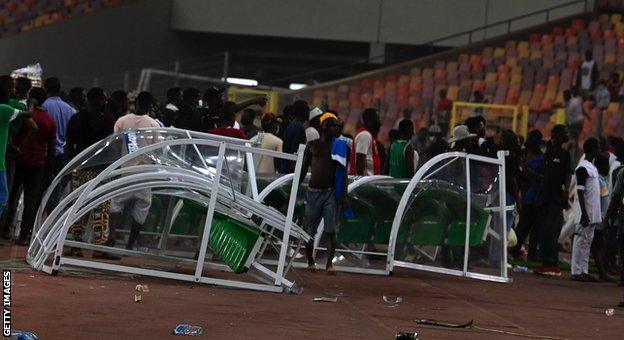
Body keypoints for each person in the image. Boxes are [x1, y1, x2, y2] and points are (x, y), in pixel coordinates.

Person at [108, 92, 160, 253]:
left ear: (135, 102)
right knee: (143, 205)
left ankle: (112, 236)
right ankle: (130, 244)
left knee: (115, 203)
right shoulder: (154, 124)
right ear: (151, 106)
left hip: (125, 170)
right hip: (144, 173)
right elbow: (157, 151)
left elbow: (114, 144)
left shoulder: (122, 121)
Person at [65, 88, 114, 256]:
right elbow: (110, 147)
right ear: (101, 100)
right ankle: (99, 247)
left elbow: (69, 143)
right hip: (100, 170)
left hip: (80, 168)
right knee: (101, 207)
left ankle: (74, 244)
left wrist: (74, 162)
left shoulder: (76, 118)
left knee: (77, 206)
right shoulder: (107, 121)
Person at [9, 88, 56, 245]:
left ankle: (5, 230)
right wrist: (50, 171)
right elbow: (51, 148)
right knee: (32, 200)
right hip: (38, 163)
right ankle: (25, 235)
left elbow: (14, 134)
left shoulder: (25, 115)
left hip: (19, 160)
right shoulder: (49, 120)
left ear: (32, 99)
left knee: (11, 195)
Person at [299, 112, 344, 275]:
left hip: (330, 192)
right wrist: (295, 188)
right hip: (313, 192)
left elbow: (343, 172)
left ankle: (329, 264)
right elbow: (303, 170)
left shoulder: (339, 146)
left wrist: (343, 195)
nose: (332, 128)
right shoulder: (312, 145)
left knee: (331, 230)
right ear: (322, 126)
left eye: (335, 125)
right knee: (309, 229)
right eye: (329, 124)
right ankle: (310, 261)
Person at [534, 125, 573, 276]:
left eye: (557, 136)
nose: (554, 139)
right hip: (546, 196)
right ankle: (549, 262)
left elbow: (569, 174)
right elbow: (545, 176)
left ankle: (551, 263)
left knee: (551, 230)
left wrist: (565, 191)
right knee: (546, 230)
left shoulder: (565, 155)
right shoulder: (548, 154)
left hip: (557, 198)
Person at [570, 137, 601, 282]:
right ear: (593, 149)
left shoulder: (592, 167)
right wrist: (583, 212)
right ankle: (576, 271)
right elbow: (580, 191)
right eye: (598, 147)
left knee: (587, 241)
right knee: (579, 240)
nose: (600, 149)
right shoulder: (582, 168)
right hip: (585, 211)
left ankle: (584, 270)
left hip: (593, 211)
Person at [511, 131, 545, 261]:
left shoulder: (530, 158)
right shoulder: (537, 159)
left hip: (529, 195)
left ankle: (522, 251)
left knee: (526, 227)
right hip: (532, 196)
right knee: (529, 227)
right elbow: (540, 179)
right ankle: (522, 252)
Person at [42, 77, 76, 175]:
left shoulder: (44, 106)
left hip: (47, 153)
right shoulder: (70, 109)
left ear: (46, 89)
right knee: (58, 185)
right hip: (63, 153)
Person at [591, 154, 616, 282]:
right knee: (597, 245)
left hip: (604, 217)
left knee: (600, 244)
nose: (607, 167)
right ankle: (602, 272)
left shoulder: (604, 180)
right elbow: (600, 201)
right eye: (605, 165)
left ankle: (603, 270)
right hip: (599, 218)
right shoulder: (598, 181)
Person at [351, 108, 381, 176]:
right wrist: (361, 180)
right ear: (369, 120)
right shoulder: (365, 135)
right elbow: (360, 159)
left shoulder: (368, 134)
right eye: (377, 118)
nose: (379, 122)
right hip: (365, 181)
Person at [281, 100, 309, 173]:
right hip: (291, 170)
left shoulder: (291, 125)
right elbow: (295, 151)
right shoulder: (299, 128)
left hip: (285, 167)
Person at [564, 88, 587, 157]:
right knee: (576, 137)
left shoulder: (571, 103)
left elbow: (569, 115)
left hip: (575, 122)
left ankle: (572, 153)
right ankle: (576, 152)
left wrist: (567, 123)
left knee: (572, 137)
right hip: (580, 122)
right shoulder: (577, 100)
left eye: (564, 96)